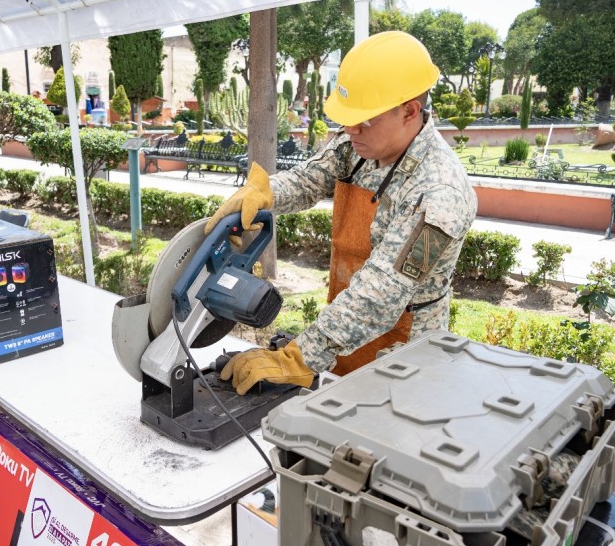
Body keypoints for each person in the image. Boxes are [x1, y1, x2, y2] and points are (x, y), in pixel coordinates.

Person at [205, 31, 478, 395]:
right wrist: (265, 193)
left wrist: (299, 358)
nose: (350, 129)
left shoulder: (440, 193)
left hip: (406, 356)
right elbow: (307, 180)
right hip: (346, 330)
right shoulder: (359, 145)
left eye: (364, 119)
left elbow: (382, 292)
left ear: (409, 111)